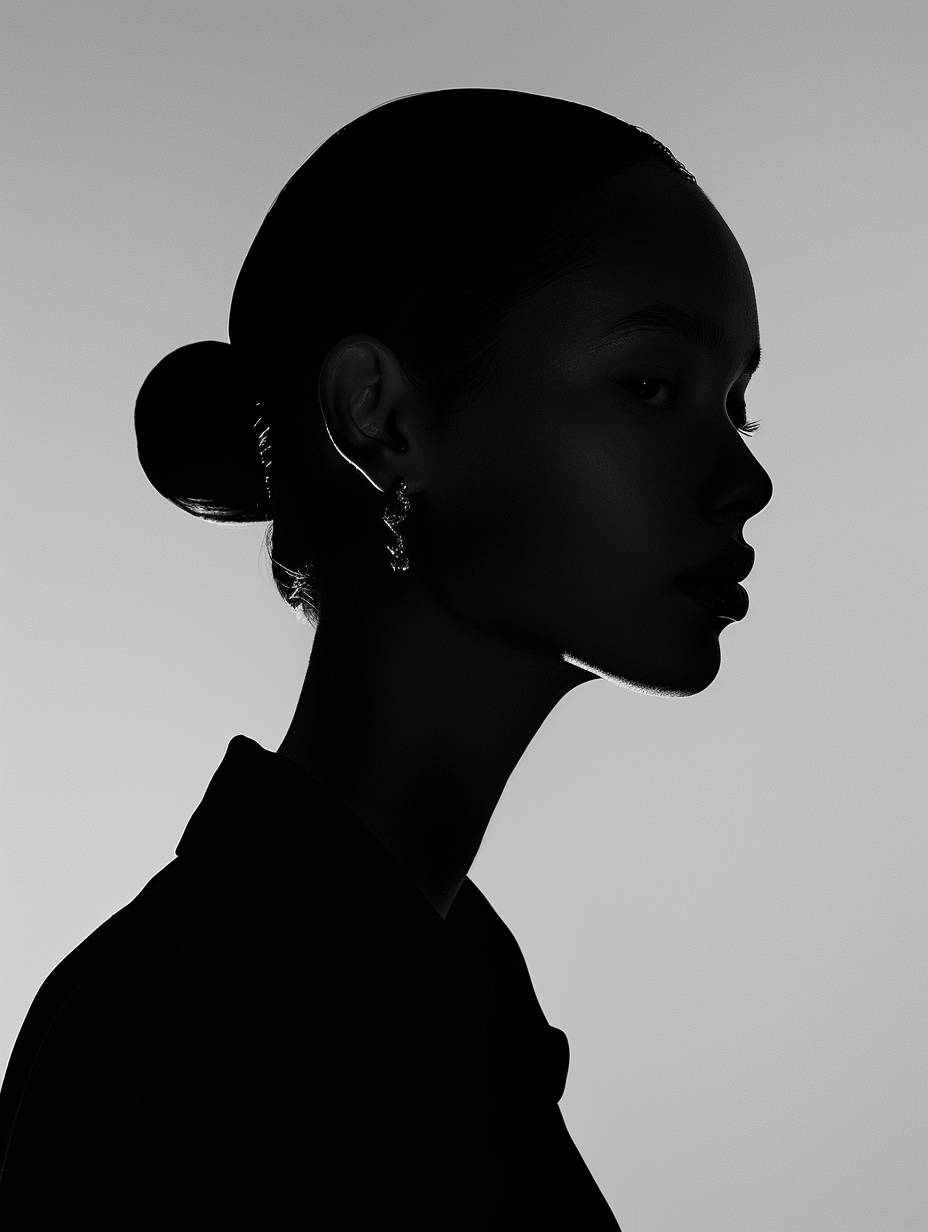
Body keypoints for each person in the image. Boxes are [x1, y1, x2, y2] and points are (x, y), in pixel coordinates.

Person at [0, 87, 773, 1225]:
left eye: (737, 404)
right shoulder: (209, 1021)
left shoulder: (433, 985)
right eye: (650, 386)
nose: (745, 479)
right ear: (380, 416)